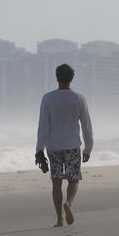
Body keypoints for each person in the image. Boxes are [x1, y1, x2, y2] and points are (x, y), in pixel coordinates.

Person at [35, 64, 94, 227]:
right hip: (72, 145)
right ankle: (68, 202)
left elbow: (43, 126)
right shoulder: (79, 98)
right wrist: (88, 147)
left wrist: (39, 149)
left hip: (53, 146)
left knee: (56, 182)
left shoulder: (48, 98)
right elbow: (86, 125)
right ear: (71, 78)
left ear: (57, 77)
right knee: (73, 179)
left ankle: (59, 219)